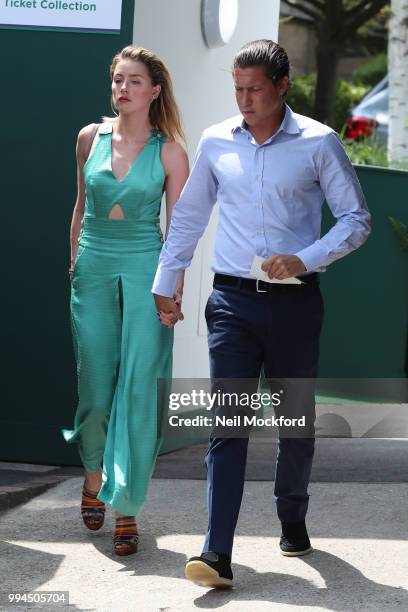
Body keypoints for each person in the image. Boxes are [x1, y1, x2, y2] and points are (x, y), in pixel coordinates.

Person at [152, 39, 371, 587]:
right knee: (228, 424)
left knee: (294, 423)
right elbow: (190, 216)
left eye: (255, 90)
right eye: (238, 89)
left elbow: (355, 219)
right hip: (231, 303)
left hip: (297, 303)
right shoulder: (216, 141)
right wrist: (166, 278)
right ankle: (216, 551)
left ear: (281, 87)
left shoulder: (320, 143)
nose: (245, 100)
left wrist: (307, 256)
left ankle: (291, 513)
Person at [63, 45, 189, 556]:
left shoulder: (171, 152)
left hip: (146, 270)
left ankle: (128, 508)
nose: (123, 88)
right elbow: (79, 205)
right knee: (95, 386)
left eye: (134, 81)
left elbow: (179, 231)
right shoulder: (88, 139)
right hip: (92, 268)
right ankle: (94, 475)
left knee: (138, 391)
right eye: (118, 79)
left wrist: (172, 292)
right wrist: (73, 264)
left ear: (154, 90)